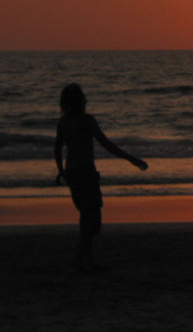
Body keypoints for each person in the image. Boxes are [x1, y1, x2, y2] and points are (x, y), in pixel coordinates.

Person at [54, 83, 148, 271]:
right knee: (92, 215)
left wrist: (61, 171)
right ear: (80, 100)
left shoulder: (63, 122)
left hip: (72, 172)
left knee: (86, 215)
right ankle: (81, 257)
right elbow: (106, 144)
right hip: (86, 172)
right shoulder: (87, 120)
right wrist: (132, 159)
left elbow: (57, 149)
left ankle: (85, 258)